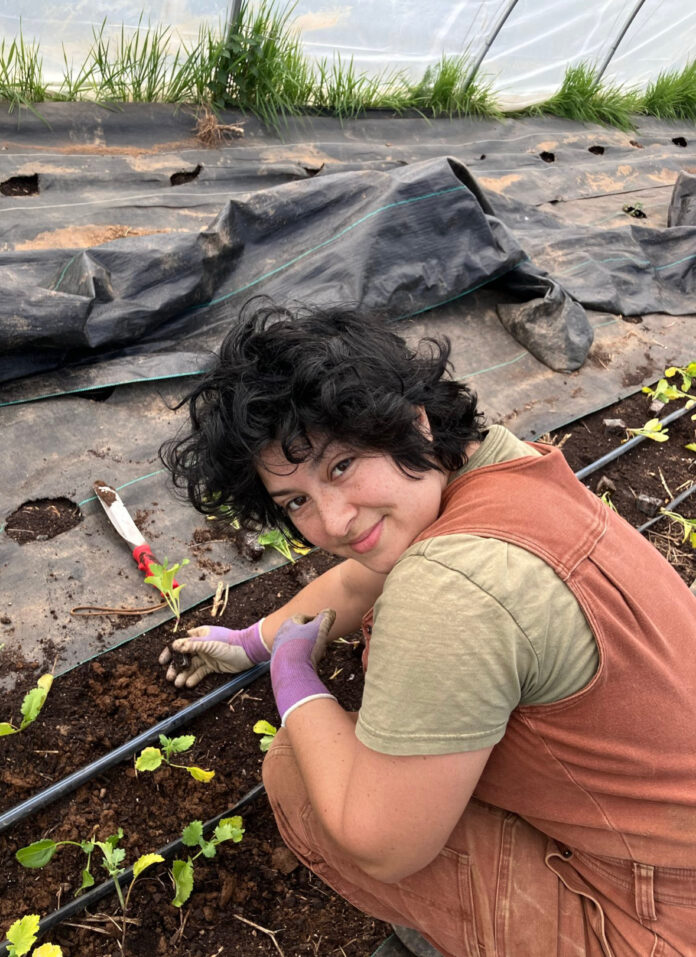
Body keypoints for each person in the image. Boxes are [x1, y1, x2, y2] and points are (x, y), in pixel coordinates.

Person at [159, 301, 696, 957]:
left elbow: (380, 841)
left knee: (301, 775)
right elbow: (361, 578)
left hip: (656, 925)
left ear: (407, 420)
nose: (333, 520)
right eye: (295, 500)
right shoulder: (500, 467)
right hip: (668, 834)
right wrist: (254, 640)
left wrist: (293, 678)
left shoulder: (449, 587)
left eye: (341, 465)